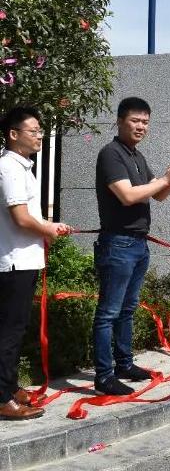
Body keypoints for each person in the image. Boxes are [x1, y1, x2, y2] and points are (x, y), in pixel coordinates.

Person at [93, 97, 170, 396]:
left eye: (146, 122)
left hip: (138, 244)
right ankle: (103, 376)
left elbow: (157, 194)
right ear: (119, 121)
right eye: (135, 121)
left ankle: (124, 364)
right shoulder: (111, 154)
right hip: (118, 243)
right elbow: (127, 196)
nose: (141, 127)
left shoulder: (137, 156)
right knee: (108, 312)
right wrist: (166, 178)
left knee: (128, 309)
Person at [0, 107, 71, 420]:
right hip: (14, 262)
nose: (40, 135)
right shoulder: (8, 167)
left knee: (15, 329)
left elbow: (28, 216)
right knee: (10, 331)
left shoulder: (21, 166)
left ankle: (9, 386)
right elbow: (20, 217)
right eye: (33, 130)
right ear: (13, 134)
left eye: (40, 130)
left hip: (24, 259)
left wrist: (48, 228)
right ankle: (2, 398)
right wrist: (47, 229)